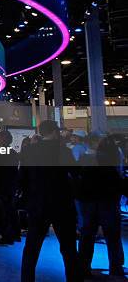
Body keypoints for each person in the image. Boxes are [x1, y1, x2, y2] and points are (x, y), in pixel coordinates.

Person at [19, 120, 81, 282]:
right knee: (68, 249)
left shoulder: (28, 151)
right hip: (61, 205)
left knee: (31, 248)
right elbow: (75, 173)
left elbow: (22, 178)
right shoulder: (63, 150)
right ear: (54, 132)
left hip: (37, 205)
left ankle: (27, 279)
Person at [76, 135, 124, 277]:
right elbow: (118, 184)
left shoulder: (87, 161)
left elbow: (81, 184)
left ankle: (84, 267)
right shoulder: (111, 164)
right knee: (112, 236)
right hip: (108, 204)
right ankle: (116, 268)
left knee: (87, 236)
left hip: (89, 204)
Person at [0, 130, 20, 245]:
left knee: (2, 212)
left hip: (1, 188)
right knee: (12, 211)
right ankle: (16, 234)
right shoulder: (14, 153)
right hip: (11, 187)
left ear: (2, 139)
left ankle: (7, 237)